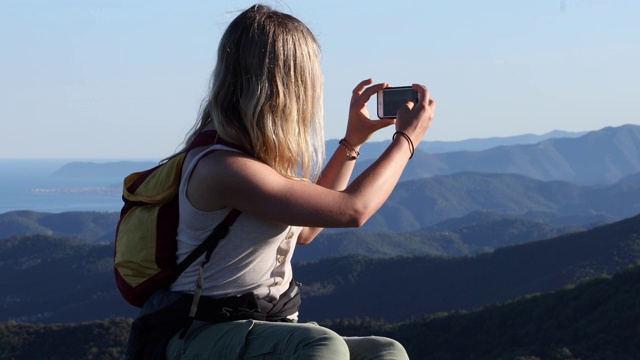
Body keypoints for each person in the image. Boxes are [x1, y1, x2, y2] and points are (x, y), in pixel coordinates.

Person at [130, 3, 436, 359]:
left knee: (385, 351)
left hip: (262, 330)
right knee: (324, 346)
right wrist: (407, 141)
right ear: (286, 83)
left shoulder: (258, 160)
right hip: (198, 335)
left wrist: (351, 142)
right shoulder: (222, 167)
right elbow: (354, 210)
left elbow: (305, 230)